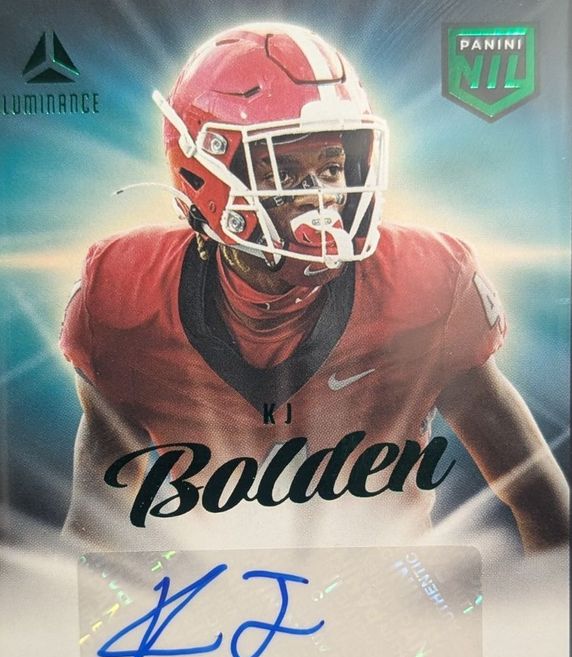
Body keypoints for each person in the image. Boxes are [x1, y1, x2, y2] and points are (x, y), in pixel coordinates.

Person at [60, 22, 567, 553]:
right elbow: (92, 533)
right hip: (208, 598)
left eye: (331, 168)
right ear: (203, 174)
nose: (321, 197)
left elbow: (543, 507)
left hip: (395, 594)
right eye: (282, 171)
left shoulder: (426, 286)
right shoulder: (125, 298)